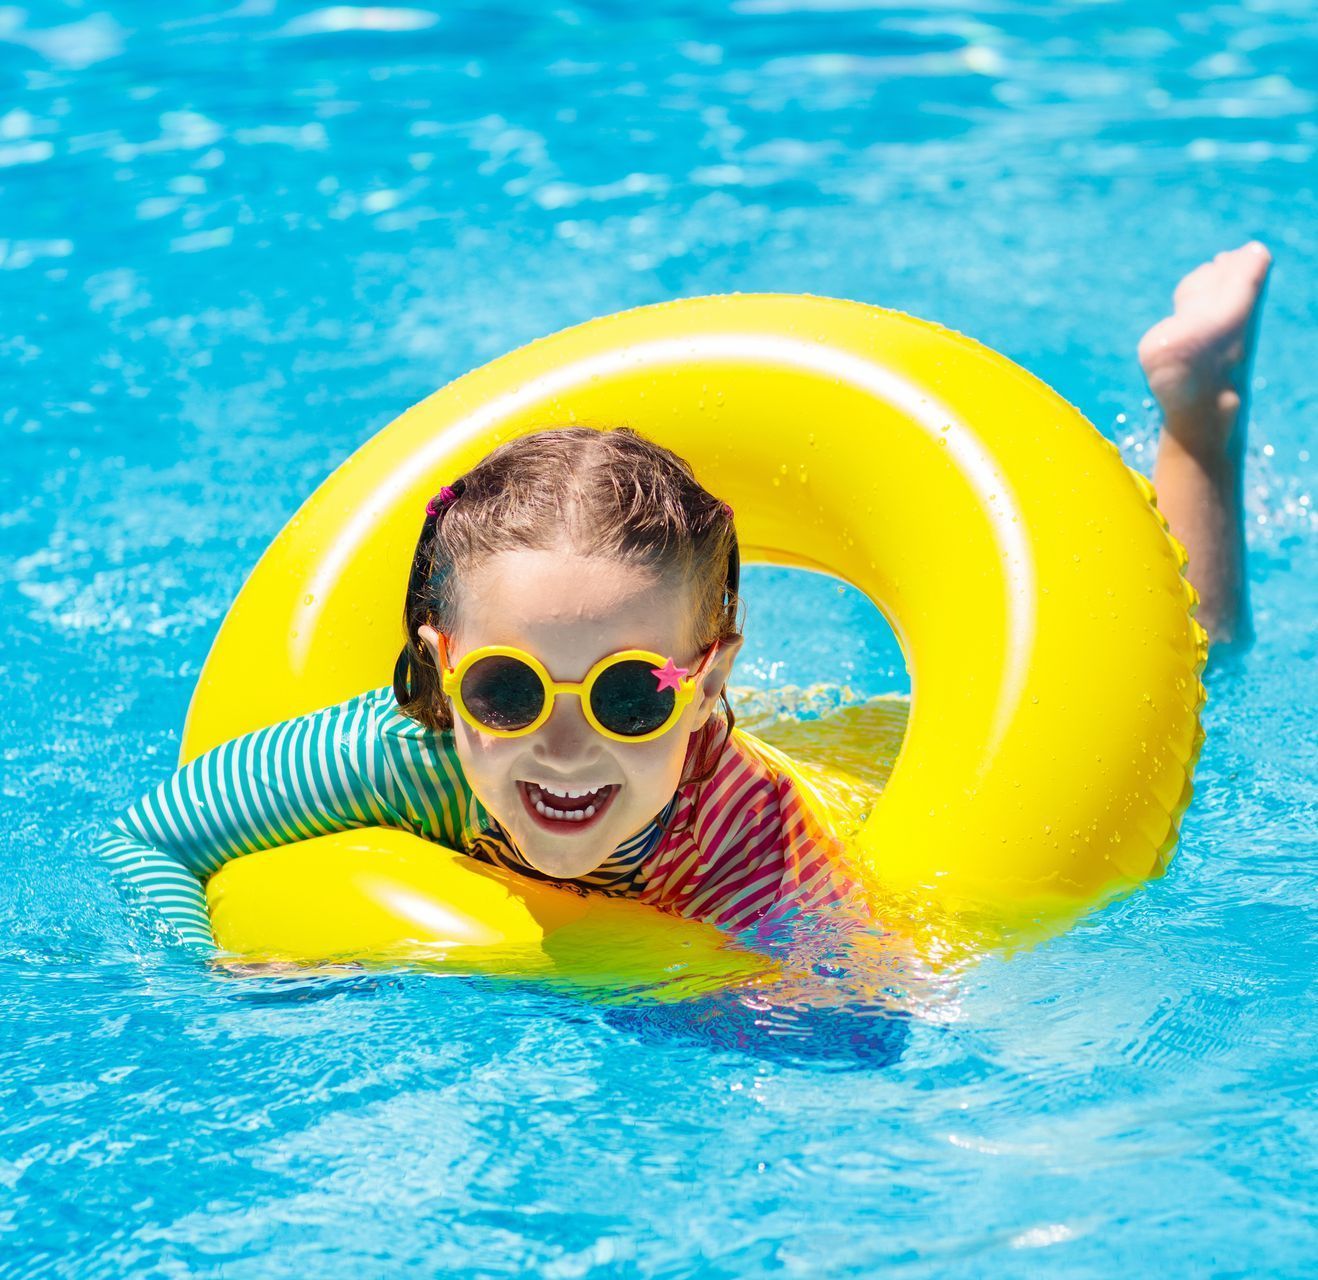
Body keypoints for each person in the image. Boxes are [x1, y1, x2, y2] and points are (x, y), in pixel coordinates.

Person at [96, 243, 1270, 951]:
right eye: (504, 688)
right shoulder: (395, 751)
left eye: (626, 693)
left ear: (707, 676)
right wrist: (208, 975)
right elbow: (150, 836)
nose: (560, 746)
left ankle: (1198, 419)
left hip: (859, 783)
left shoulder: (748, 842)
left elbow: (884, 999)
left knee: (1186, 663)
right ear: (441, 668)